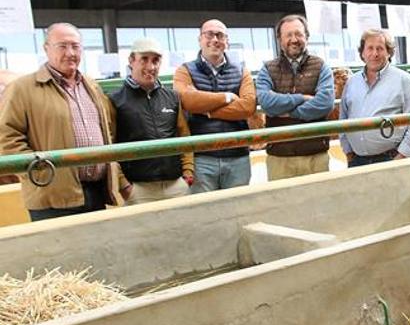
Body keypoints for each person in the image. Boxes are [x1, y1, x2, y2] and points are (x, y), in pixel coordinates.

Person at [0, 23, 127, 221]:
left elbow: (107, 133)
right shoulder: (22, 89)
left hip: (96, 192)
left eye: (75, 46)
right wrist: (41, 173)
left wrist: (115, 175)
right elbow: (6, 139)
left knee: (97, 250)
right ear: (46, 49)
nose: (70, 53)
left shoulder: (91, 86)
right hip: (52, 196)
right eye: (62, 46)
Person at [173, 19, 256, 193]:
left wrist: (206, 110)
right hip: (202, 158)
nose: (215, 39)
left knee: (238, 211)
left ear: (227, 42)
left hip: (238, 156)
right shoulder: (184, 71)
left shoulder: (242, 71)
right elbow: (187, 101)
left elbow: (248, 106)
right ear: (200, 39)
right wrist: (227, 97)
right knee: (205, 214)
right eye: (209, 34)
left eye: (220, 35)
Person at [108, 37, 194, 204]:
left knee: (182, 230)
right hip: (139, 189)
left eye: (155, 60)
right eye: (144, 59)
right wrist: (124, 185)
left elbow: (184, 136)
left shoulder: (172, 98)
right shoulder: (115, 100)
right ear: (131, 61)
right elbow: (109, 145)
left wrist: (188, 172)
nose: (151, 67)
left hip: (176, 185)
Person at [256, 15, 335, 180]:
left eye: (298, 34)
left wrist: (288, 113)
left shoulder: (321, 66)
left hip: (315, 155)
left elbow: (324, 103)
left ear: (306, 37)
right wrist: (302, 98)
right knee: (282, 206)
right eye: (288, 35)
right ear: (279, 39)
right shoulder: (267, 69)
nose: (294, 39)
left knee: (319, 205)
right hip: (280, 156)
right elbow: (266, 102)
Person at [339, 29, 410, 167]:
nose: (375, 54)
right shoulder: (351, 82)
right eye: (370, 48)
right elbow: (343, 119)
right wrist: (348, 152)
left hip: (391, 159)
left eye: (380, 48)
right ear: (362, 53)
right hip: (357, 161)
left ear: (389, 52)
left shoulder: (404, 80)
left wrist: (401, 156)